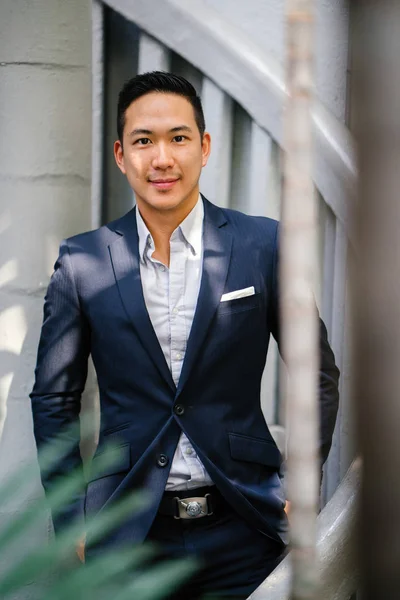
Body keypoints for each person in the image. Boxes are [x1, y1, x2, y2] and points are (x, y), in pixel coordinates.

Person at [30, 71, 339, 599]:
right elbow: (54, 399)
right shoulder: (82, 261)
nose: (163, 158)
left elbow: (317, 375)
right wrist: (71, 518)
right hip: (127, 534)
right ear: (121, 155)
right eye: (143, 141)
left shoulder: (261, 243)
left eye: (178, 138)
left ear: (205, 146)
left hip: (245, 525)